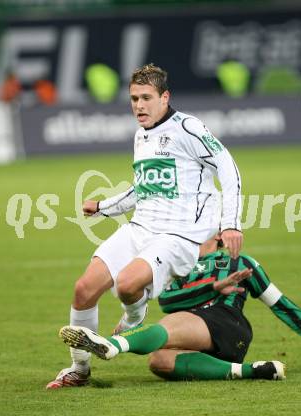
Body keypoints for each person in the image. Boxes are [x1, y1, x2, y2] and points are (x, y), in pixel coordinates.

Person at [46, 64, 243, 389]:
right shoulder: (141, 135)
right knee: (84, 290)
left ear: (165, 97)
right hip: (140, 228)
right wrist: (104, 207)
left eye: (146, 98)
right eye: (134, 98)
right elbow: (142, 187)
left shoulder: (189, 128)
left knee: (126, 284)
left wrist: (231, 224)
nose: (139, 105)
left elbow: (228, 167)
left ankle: (134, 319)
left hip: (178, 236)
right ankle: (78, 371)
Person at [59, 234, 301, 383]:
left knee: (171, 325)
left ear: (217, 235)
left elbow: (281, 304)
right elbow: (166, 301)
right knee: (160, 362)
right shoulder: (180, 265)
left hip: (229, 324)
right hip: (204, 336)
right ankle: (252, 371)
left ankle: (112, 346)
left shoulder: (241, 263)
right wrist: (211, 287)